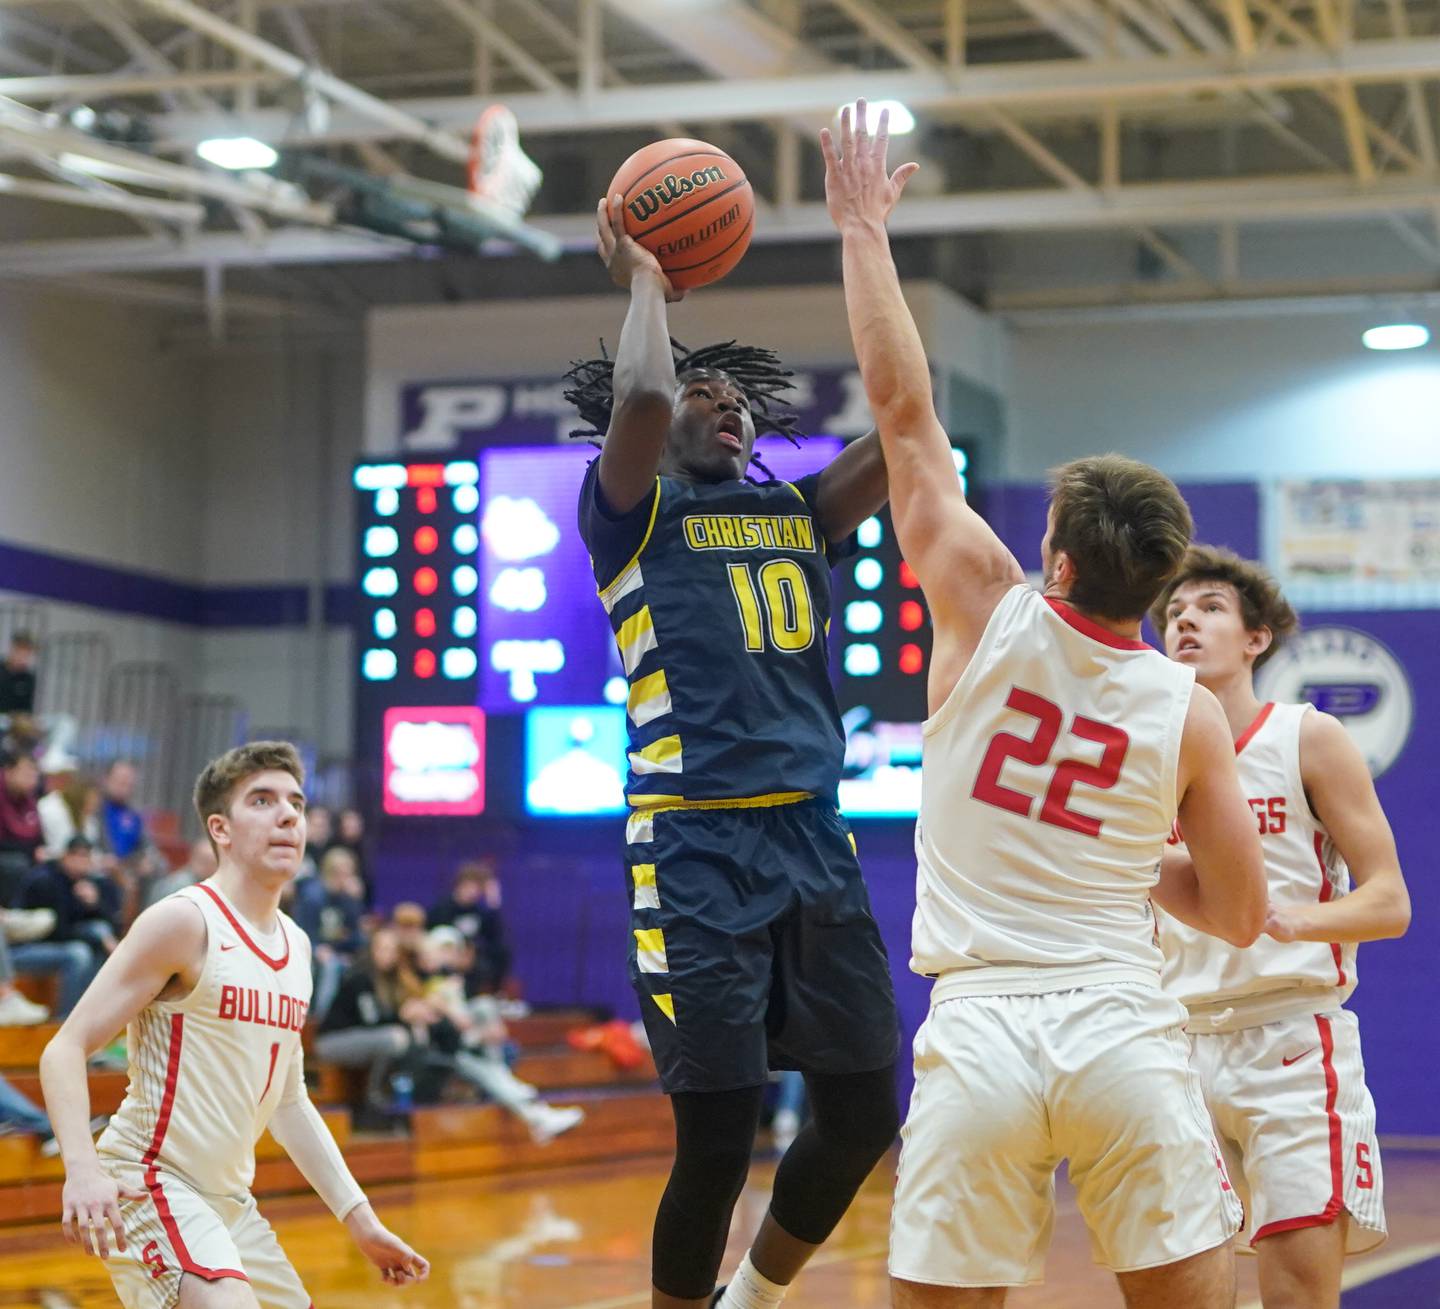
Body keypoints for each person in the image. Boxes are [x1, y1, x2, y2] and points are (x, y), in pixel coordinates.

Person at [822, 100, 1268, 1308]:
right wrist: (1128, 866)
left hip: (981, 1027)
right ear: (1158, 581)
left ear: (1057, 562)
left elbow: (903, 413)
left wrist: (863, 229)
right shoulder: (1190, 710)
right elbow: (1237, 911)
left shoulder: (984, 602)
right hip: (1122, 1021)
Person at [564, 185, 902, 1309]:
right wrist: (650, 277)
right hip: (695, 844)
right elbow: (648, 387)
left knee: (864, 1110)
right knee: (718, 1131)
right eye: (708, 402)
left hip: (813, 836)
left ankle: (752, 1298)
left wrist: (870, 247)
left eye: (740, 404)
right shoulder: (630, 514)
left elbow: (910, 423)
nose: (728, 413)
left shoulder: (799, 516)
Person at [38, 740, 427, 1306]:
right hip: (150, 1179)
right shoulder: (183, 921)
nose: (288, 815)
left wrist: (360, 1220)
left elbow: (289, 1102)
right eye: (263, 800)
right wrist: (82, 1170)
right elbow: (64, 1049)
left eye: (295, 802)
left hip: (229, 1201)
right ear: (220, 829)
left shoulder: (296, 946)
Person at [1151, 546, 1410, 1307]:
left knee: (1298, 1295)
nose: (1186, 620)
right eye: (1173, 611)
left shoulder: (1307, 736)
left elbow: (1390, 900)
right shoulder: (1149, 754)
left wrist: (1291, 919)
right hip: (1175, 1043)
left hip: (1289, 1040)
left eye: (1209, 607)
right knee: (1183, 1292)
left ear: (1255, 637)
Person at [429, 859, 512, 995]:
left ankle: (496, 994)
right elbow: (434, 935)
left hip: (471, 957)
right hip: (446, 954)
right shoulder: (443, 907)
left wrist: (493, 903)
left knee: (501, 952)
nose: (473, 891)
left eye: (477, 888)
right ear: (459, 884)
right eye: (469, 886)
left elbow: (495, 936)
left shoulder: (479, 911)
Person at [0, 632, 37, 718]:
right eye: (21, 651)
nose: (23, 657)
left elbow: (26, 708)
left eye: (27, 653)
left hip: (14, 721)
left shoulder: (28, 678)